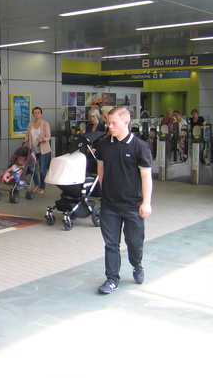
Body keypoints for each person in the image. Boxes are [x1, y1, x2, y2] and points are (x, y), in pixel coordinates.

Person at [95, 107, 153, 294]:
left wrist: (146, 202)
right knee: (111, 244)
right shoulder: (104, 145)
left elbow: (146, 177)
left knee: (135, 243)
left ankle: (137, 264)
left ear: (126, 122)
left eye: (114, 123)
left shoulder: (140, 146)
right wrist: (104, 191)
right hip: (109, 206)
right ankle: (112, 279)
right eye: (108, 122)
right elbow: (101, 169)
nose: (109, 126)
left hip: (132, 206)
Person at [23, 107, 51, 195]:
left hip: (44, 150)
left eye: (38, 112)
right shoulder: (30, 124)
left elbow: (48, 137)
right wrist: (26, 139)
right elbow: (28, 135)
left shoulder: (45, 124)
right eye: (34, 113)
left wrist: (42, 139)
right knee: (32, 168)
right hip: (33, 149)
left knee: (42, 169)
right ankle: (37, 184)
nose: (36, 114)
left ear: (41, 114)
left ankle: (43, 187)